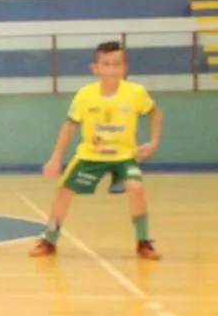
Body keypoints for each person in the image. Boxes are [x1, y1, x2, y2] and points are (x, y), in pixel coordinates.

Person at [31, 40, 162, 260]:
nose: (111, 69)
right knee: (63, 193)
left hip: (124, 156)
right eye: (106, 64)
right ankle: (49, 239)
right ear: (96, 68)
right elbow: (70, 125)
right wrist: (56, 158)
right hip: (90, 156)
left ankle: (144, 242)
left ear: (125, 68)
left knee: (136, 188)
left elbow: (155, 112)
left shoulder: (135, 92)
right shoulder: (85, 95)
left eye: (117, 64)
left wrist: (154, 141)